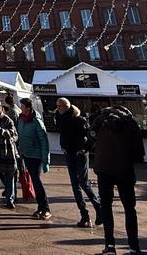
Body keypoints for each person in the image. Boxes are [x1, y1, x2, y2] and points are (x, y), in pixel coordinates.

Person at [93, 105, 146, 255]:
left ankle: (110, 245)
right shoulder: (131, 123)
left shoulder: (101, 120)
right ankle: (134, 247)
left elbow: (91, 137)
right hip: (124, 170)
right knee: (129, 208)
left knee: (106, 207)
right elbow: (139, 153)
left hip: (104, 169)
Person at [55, 97, 102, 228]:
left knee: (83, 183)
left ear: (66, 106)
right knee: (75, 186)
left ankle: (98, 208)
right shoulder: (59, 118)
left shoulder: (79, 120)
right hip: (68, 154)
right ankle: (84, 215)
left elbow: (88, 137)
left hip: (79, 154)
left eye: (60, 106)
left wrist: (83, 150)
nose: (58, 108)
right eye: (57, 106)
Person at [16, 97, 51, 220]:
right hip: (26, 154)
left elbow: (44, 140)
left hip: (36, 156)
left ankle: (45, 208)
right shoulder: (21, 120)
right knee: (35, 182)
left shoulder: (36, 121)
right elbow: (18, 135)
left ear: (28, 108)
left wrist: (46, 160)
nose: (21, 108)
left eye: (22, 107)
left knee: (37, 181)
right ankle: (41, 207)